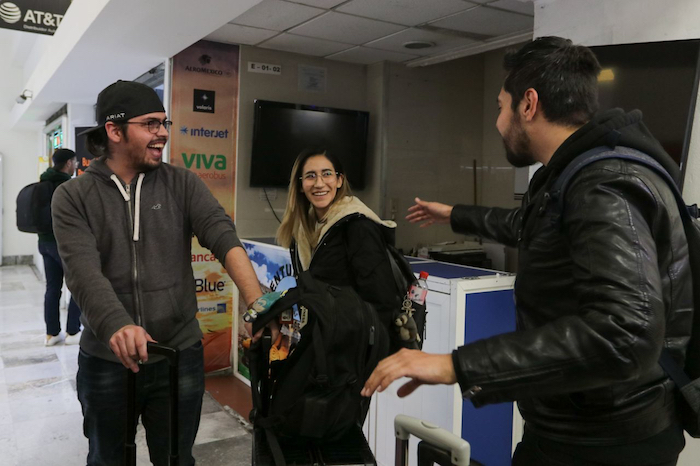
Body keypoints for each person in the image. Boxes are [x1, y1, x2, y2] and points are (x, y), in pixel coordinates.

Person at [362, 36, 692, 466]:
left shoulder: (601, 183)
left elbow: (626, 334)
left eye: (501, 106)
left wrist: (457, 366)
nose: (498, 122)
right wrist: (454, 214)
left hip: (603, 447)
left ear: (528, 104)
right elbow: (529, 225)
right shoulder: (572, 176)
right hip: (573, 432)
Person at [51, 80, 262, 466]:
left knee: (177, 459)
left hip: (177, 355)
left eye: (164, 123)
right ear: (114, 131)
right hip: (106, 362)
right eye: (150, 123)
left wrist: (257, 302)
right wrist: (118, 325)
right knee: (107, 459)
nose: (162, 133)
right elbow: (82, 272)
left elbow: (221, 234)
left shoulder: (182, 183)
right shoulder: (73, 196)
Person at [277, 147, 405, 352]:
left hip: (350, 352)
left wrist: (362, 356)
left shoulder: (358, 226)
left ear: (339, 180)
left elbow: (382, 300)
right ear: (301, 185)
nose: (319, 183)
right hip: (320, 341)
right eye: (310, 176)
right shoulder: (302, 230)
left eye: (327, 174)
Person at [38, 148, 82, 346]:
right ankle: (73, 331)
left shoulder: (43, 182)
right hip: (63, 243)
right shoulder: (67, 185)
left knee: (52, 288)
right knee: (79, 284)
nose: (77, 165)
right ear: (68, 163)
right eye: (75, 162)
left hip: (44, 242)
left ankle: (52, 334)